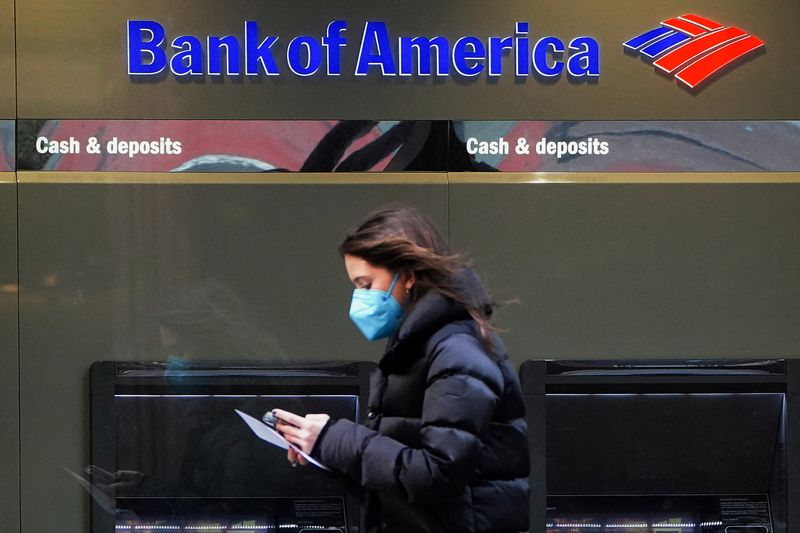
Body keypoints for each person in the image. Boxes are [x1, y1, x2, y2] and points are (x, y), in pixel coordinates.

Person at [273, 205, 530, 533]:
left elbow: (437, 473)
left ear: (407, 276)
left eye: (366, 285)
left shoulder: (457, 352)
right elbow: (402, 480)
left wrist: (336, 438)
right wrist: (322, 448)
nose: (359, 299)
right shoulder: (415, 348)